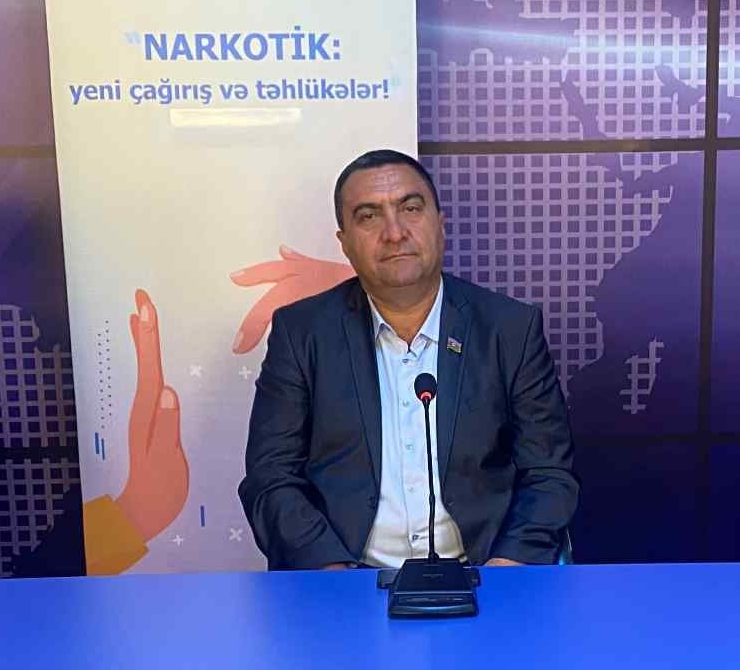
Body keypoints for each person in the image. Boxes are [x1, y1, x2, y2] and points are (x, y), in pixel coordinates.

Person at [239, 149, 579, 569]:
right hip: (347, 578)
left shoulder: (508, 329)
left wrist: (505, 572)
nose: (394, 232)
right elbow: (271, 478)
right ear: (345, 243)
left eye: (411, 209)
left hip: (483, 574)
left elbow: (548, 474)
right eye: (369, 216)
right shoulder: (302, 333)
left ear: (440, 224)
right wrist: (331, 575)